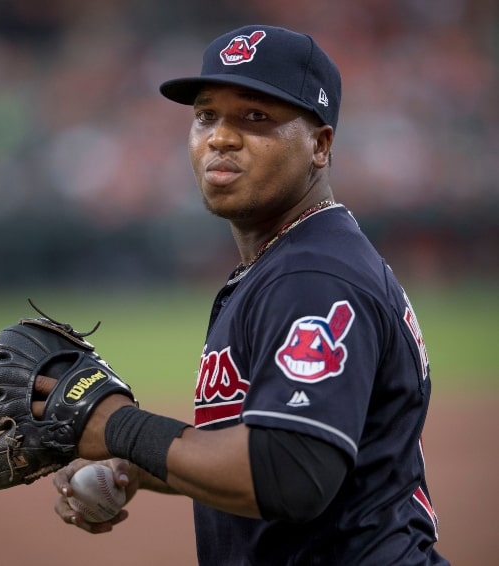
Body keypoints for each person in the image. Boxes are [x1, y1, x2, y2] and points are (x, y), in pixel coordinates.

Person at [33, 25, 450, 565]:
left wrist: (115, 426)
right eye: (206, 115)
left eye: (256, 117)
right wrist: (132, 461)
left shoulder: (313, 275)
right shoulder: (290, 260)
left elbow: (291, 474)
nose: (221, 137)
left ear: (320, 146)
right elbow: (259, 451)